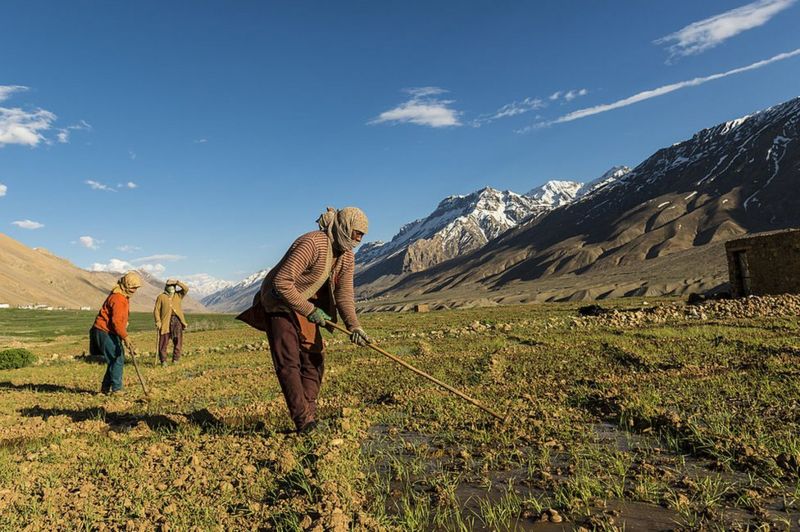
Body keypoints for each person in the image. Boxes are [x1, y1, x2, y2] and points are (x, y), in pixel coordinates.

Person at [237, 207, 371, 433]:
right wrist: (309, 310)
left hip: (305, 305)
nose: (359, 238)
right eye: (356, 232)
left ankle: (308, 413)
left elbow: (344, 295)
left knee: (314, 360)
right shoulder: (313, 243)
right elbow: (282, 283)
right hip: (279, 302)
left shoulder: (347, 256)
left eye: (362, 235)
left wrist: (354, 326)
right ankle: (304, 421)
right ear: (343, 226)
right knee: (288, 362)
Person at [89, 271, 142, 395]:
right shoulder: (118, 298)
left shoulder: (123, 296)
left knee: (114, 359)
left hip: (109, 331)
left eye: (136, 288)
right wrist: (125, 337)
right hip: (104, 331)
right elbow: (116, 322)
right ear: (126, 285)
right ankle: (117, 389)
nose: (135, 290)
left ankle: (105, 389)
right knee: (117, 358)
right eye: (133, 287)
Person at [154, 279, 190, 366]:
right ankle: (163, 361)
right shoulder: (161, 297)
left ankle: (175, 359)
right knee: (163, 342)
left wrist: (177, 282)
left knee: (178, 341)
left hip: (177, 321)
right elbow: (156, 310)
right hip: (165, 321)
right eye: (169, 286)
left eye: (173, 286)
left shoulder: (178, 295)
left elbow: (186, 289)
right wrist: (158, 321)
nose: (171, 289)